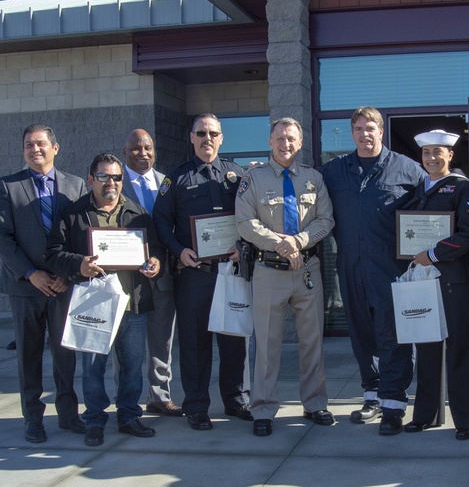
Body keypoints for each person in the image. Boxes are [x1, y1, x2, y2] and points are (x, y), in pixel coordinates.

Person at [320, 106, 426, 435]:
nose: (364, 134)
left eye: (371, 128)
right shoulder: (334, 171)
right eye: (358, 129)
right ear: (352, 133)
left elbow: (433, 207)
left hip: (390, 266)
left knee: (392, 334)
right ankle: (372, 394)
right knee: (361, 331)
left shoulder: (408, 170)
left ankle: (393, 403)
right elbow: (304, 198)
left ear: (381, 131)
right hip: (349, 262)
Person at [45, 154, 163, 446]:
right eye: (104, 177)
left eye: (117, 177)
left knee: (132, 365)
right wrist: (78, 265)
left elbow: (157, 249)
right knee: (93, 367)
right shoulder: (73, 214)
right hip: (94, 303)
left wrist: (155, 263)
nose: (111, 183)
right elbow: (53, 254)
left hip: (132, 304)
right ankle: (95, 421)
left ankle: (129, 416)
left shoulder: (138, 214)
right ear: (90, 179)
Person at [236, 118, 336, 437]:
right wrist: (282, 243)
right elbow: (245, 223)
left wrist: (299, 241)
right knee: (266, 344)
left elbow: (325, 219)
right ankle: (263, 408)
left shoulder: (313, 179)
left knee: (312, 341)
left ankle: (315, 404)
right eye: (279, 138)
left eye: (291, 138)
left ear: (300, 142)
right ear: (270, 141)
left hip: (307, 269)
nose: (285, 144)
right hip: (269, 271)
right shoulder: (253, 179)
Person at [153, 113, 251, 431]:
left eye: (213, 133)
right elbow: (161, 223)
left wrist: (243, 244)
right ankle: (196, 405)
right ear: (191, 137)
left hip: (231, 270)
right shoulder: (176, 179)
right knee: (195, 342)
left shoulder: (237, 175)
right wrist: (179, 250)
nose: (207, 138)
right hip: (195, 274)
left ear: (221, 138)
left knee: (234, 337)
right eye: (201, 133)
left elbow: (252, 217)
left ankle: (236, 401)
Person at [0, 124, 88, 444]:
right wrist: (32, 273)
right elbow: (1, 238)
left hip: (63, 286)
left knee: (65, 354)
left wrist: (68, 274)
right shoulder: (8, 187)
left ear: (55, 148)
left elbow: (83, 235)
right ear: (24, 151)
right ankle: (33, 418)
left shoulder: (74, 186)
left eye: (41, 144)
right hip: (26, 287)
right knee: (28, 356)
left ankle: (69, 414)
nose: (36, 149)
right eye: (29, 145)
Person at [400, 130, 469, 441]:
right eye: (426, 153)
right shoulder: (419, 189)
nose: (432, 158)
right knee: (427, 348)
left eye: (438, 152)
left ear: (450, 155)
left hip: (456, 282)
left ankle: (465, 420)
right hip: (424, 280)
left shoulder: (463, 189)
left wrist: (432, 254)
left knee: (460, 351)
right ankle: (425, 414)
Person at [120, 129, 182, 417]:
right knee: (127, 348)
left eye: (147, 147)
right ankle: (126, 400)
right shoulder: (114, 183)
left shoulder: (167, 183)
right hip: (125, 281)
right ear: (125, 152)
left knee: (162, 341)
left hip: (162, 276)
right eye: (136, 148)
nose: (142, 153)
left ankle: (159, 396)